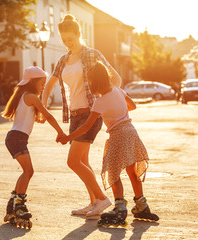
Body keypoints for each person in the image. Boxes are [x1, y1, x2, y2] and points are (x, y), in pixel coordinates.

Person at [57, 61, 159, 227]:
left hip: (118, 135)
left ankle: (120, 208)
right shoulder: (118, 91)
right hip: (131, 131)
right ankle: (142, 206)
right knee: (132, 172)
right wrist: (119, 110)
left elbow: (86, 127)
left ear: (93, 83)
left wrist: (68, 138)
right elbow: (132, 106)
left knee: (113, 172)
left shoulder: (99, 103)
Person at [41, 13, 122, 218]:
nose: (68, 43)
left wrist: (106, 99)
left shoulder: (92, 54)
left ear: (79, 34)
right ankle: (94, 203)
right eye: (64, 40)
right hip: (75, 115)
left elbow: (116, 78)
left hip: (90, 114)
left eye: (71, 39)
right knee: (83, 163)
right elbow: (49, 84)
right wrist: (43, 106)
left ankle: (102, 199)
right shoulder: (63, 60)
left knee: (73, 161)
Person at [2, 66, 65, 228]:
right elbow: (49, 116)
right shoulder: (31, 97)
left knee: (26, 172)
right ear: (33, 82)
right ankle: (19, 206)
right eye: (42, 83)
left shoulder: (24, 96)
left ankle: (13, 203)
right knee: (28, 171)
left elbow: (35, 116)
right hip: (17, 138)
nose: (44, 87)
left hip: (14, 137)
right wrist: (60, 133)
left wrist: (38, 117)